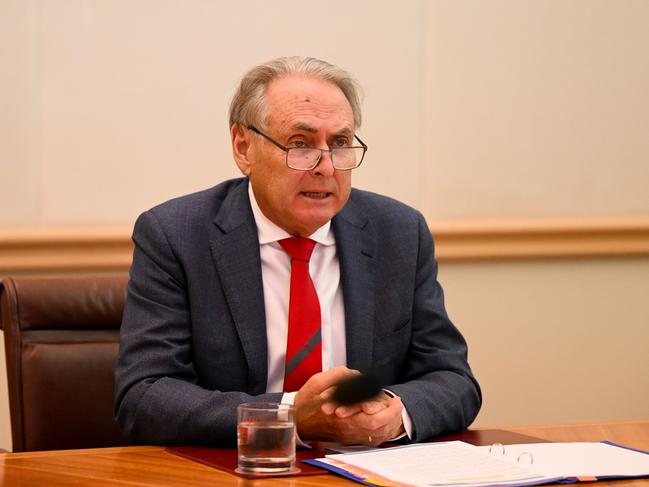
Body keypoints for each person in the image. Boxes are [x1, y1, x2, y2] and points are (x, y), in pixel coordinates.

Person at [114, 56, 481, 447]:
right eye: (300, 144)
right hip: (237, 469)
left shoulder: (399, 232)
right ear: (243, 148)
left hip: (365, 468)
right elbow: (144, 396)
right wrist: (289, 416)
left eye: (339, 144)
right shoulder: (176, 235)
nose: (326, 167)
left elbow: (453, 379)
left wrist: (392, 413)